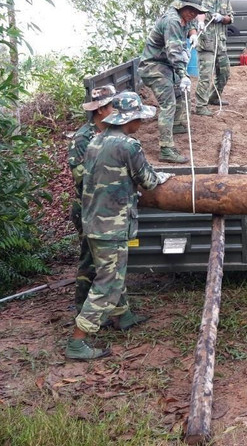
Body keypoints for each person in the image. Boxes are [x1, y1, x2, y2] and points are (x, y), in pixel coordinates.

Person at [67, 91, 174, 360]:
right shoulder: (128, 146)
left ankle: (122, 316)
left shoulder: (96, 141)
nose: (142, 124)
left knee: (113, 271)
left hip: (94, 220)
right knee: (108, 282)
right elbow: (148, 181)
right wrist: (164, 176)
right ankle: (78, 341)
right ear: (130, 119)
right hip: (111, 225)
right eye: (140, 118)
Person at [138, 0, 207, 163]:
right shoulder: (172, 21)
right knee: (168, 102)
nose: (194, 14)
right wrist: (183, 75)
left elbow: (189, 23)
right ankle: (166, 149)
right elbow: (175, 53)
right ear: (182, 5)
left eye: (197, 11)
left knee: (180, 93)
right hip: (153, 66)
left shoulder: (182, 16)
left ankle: (176, 125)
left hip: (165, 64)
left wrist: (192, 35)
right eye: (191, 9)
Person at [67, 85, 116, 311]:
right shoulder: (83, 137)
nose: (114, 109)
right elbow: (81, 176)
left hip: (103, 207)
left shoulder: (110, 132)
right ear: (100, 110)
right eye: (111, 106)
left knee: (107, 260)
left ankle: (113, 309)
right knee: (89, 259)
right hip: (88, 207)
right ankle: (81, 307)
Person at [194, 0, 234, 116]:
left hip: (221, 44)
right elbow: (200, 12)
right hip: (206, 44)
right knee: (205, 75)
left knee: (224, 73)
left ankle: (213, 97)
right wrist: (200, 22)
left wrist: (222, 18)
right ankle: (200, 106)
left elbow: (231, 18)